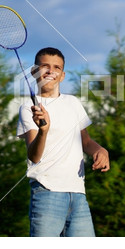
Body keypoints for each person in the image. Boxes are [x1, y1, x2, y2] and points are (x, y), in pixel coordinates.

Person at [17, 47, 110, 237]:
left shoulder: (73, 103)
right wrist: (44, 130)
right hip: (47, 193)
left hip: (78, 194)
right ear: (35, 71)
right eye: (45, 66)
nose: (51, 71)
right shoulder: (28, 108)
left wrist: (100, 150)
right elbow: (34, 156)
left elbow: (86, 141)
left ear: (62, 75)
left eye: (57, 67)